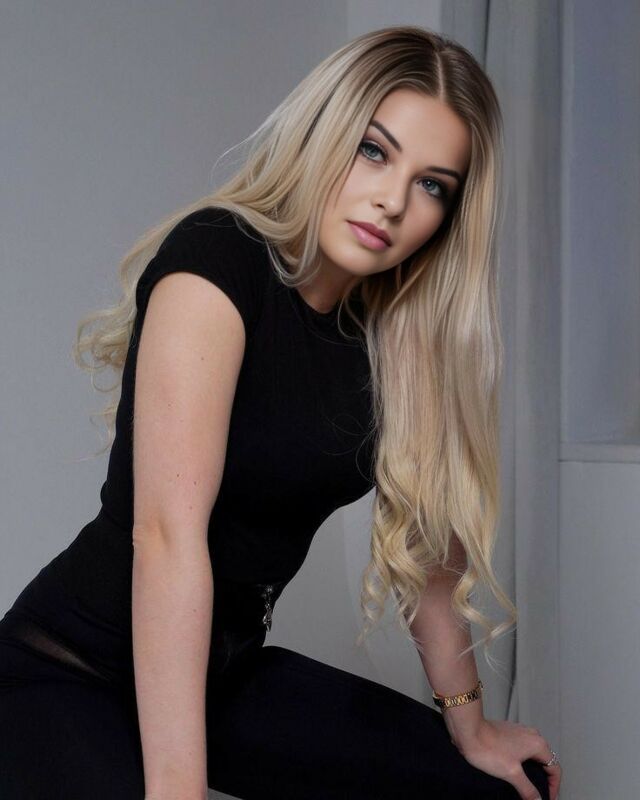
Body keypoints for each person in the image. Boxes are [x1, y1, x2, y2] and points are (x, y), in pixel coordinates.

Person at [0, 24, 560, 800]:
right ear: (325, 134)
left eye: (433, 185)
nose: (393, 200)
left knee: (498, 790)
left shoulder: (397, 336)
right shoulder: (216, 264)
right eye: (374, 150)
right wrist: (178, 789)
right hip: (71, 670)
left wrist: (471, 728)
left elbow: (430, 561)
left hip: (224, 675)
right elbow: (166, 540)